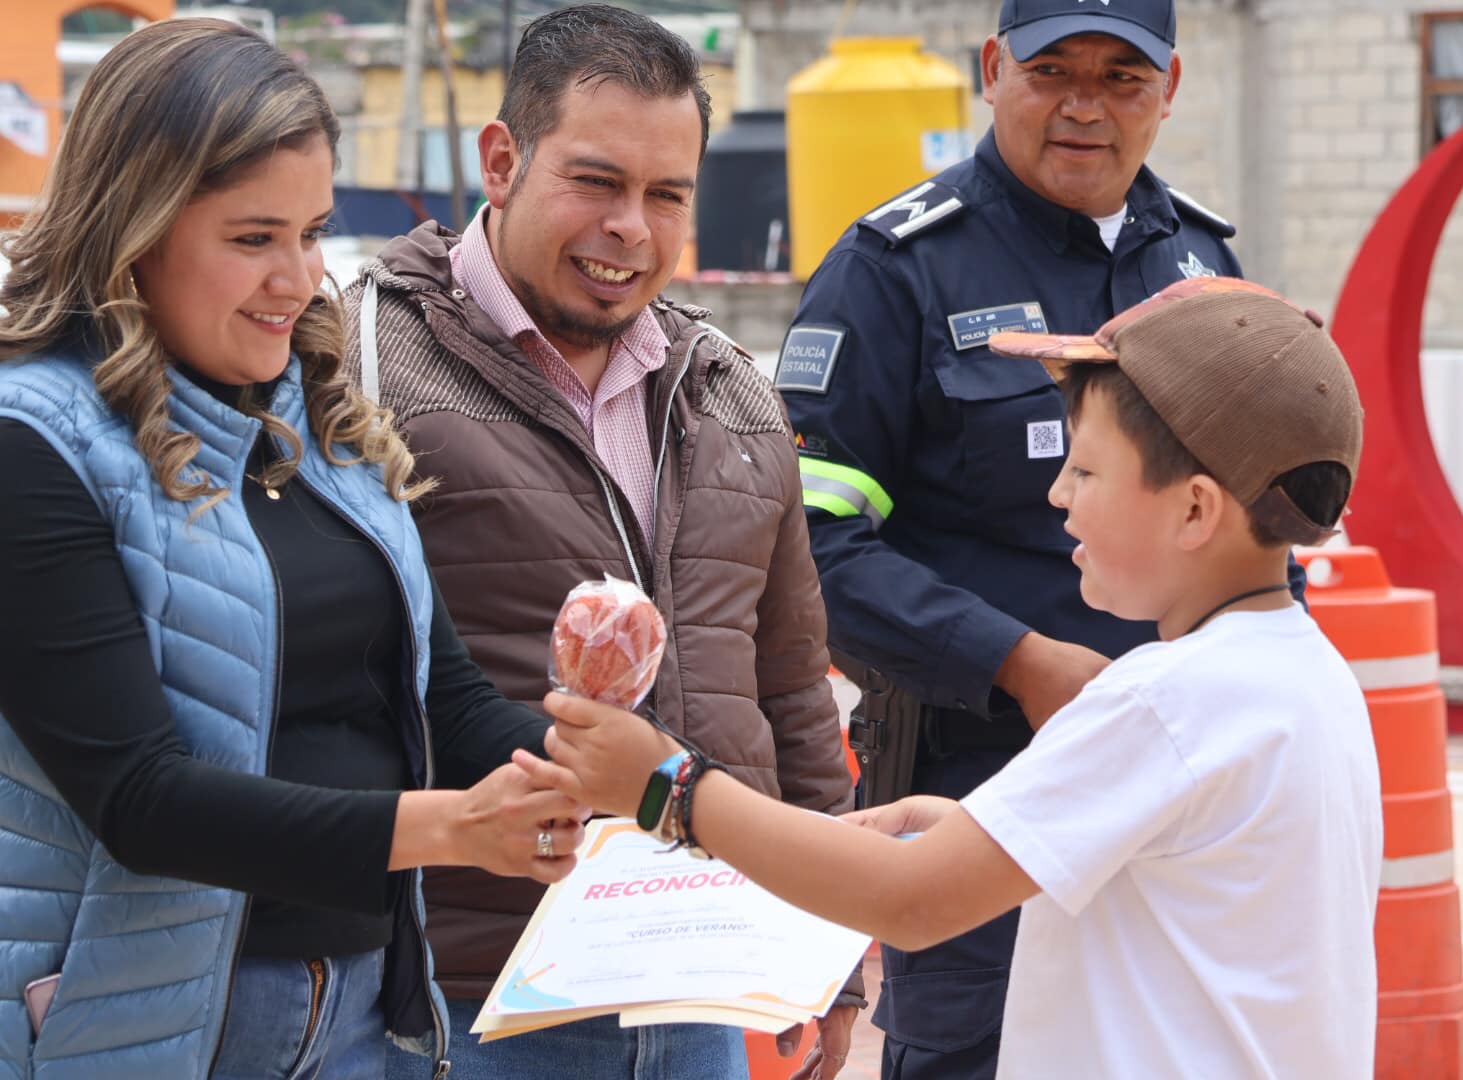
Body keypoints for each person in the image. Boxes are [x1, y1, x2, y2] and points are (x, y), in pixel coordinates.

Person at [536, 276, 1383, 1080]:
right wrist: (954, 824)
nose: (1058, 494)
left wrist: (665, 785)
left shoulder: (1160, 700)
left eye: (1085, 471)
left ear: (1195, 509)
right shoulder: (1303, 675)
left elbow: (908, 903)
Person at [0, 20, 589, 1080]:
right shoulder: (32, 444)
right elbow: (143, 799)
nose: (297, 279)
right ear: (133, 229)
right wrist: (455, 830)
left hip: (371, 1008)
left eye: (313, 232)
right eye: (253, 237)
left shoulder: (317, 417)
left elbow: (441, 700)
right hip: (147, 1029)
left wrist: (615, 782)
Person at [776, 0, 1305, 1072]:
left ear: (1171, 89)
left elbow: (1265, 536)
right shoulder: (896, 270)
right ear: (991, 69)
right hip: (984, 792)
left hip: (1195, 817)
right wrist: (1020, 665)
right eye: (1052, 69)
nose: (1084, 106)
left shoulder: (1204, 271)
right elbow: (805, 554)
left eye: (1122, 77)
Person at [347, 7, 860, 1078]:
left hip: (702, 983)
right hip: (465, 995)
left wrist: (833, 955)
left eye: (667, 193)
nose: (632, 225)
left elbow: (792, 688)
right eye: (596, 181)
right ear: (501, 160)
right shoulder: (361, 371)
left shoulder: (731, 391)